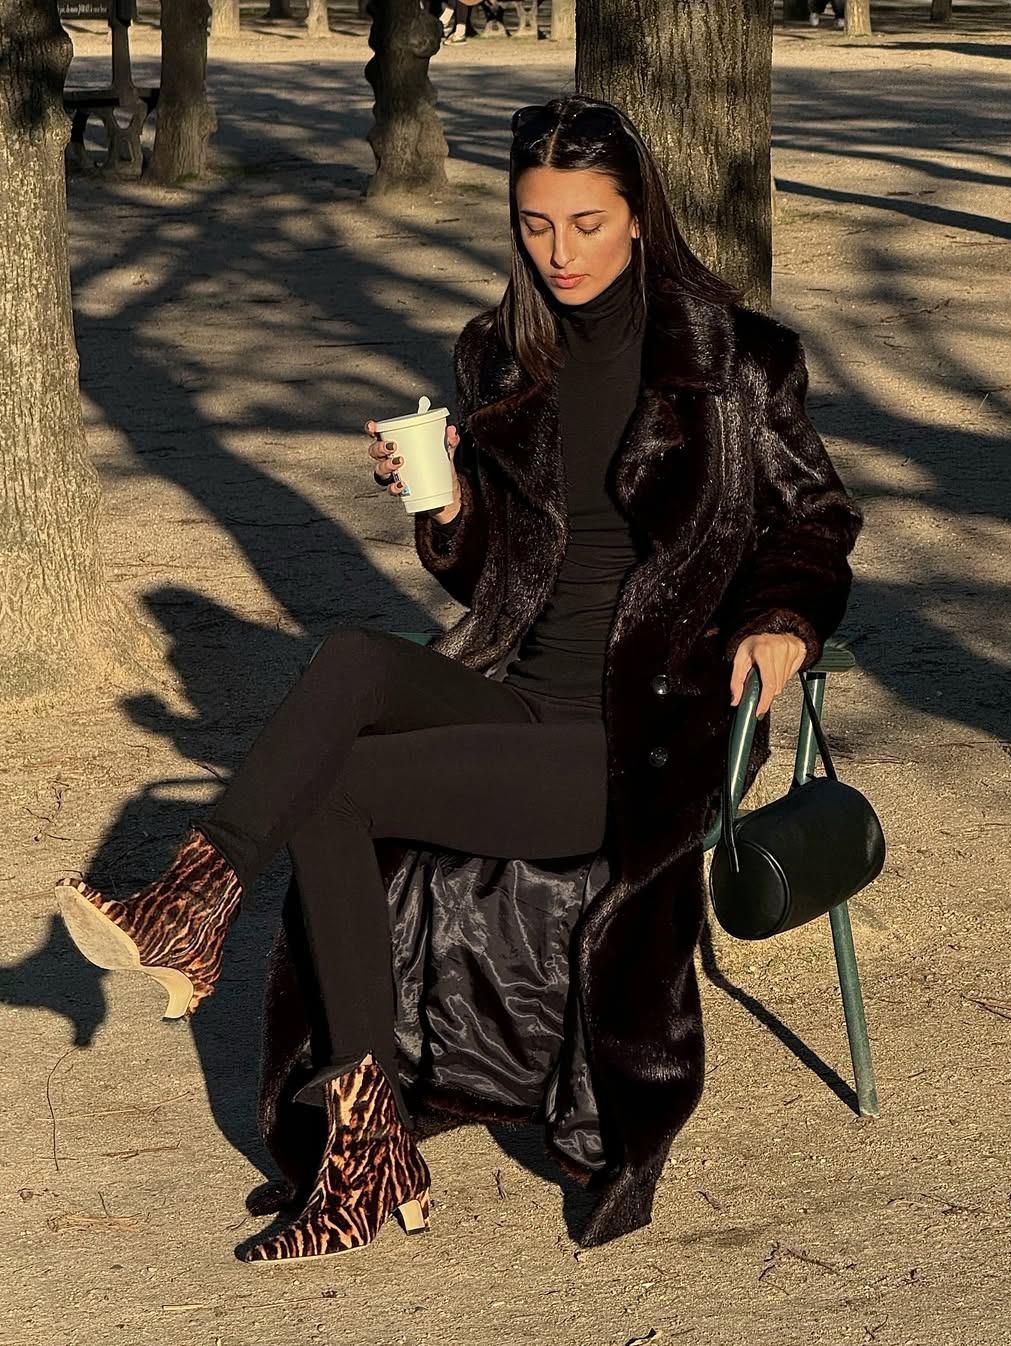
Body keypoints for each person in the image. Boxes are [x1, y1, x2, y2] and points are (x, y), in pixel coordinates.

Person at [56, 95, 863, 1261]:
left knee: (341, 788)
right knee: (347, 658)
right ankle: (204, 909)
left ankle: (347, 1115)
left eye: (588, 223)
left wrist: (784, 616)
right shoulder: (497, 355)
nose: (563, 252)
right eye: (537, 226)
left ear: (639, 218)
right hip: (519, 691)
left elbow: (817, 519)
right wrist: (442, 506)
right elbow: (496, 578)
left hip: (637, 737)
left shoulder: (737, 361)